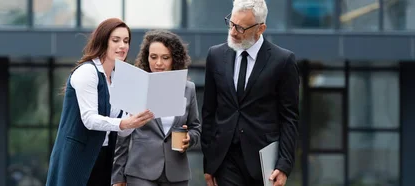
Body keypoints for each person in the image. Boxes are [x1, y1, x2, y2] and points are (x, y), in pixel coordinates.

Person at [45, 18, 155, 186]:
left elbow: (121, 129)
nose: (123, 45)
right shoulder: (87, 72)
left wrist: (135, 121)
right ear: (103, 41)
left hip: (103, 156)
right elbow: (90, 119)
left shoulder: (120, 78)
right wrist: (124, 123)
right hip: (76, 157)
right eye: (116, 40)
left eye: (126, 41)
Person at [200, 0, 300, 186]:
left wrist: (284, 164)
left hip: (264, 163)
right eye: (231, 23)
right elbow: (209, 112)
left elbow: (289, 118)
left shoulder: (283, 61)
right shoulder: (215, 56)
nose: (232, 32)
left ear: (260, 28)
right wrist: (209, 164)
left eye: (240, 28)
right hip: (225, 160)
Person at [111, 30, 201, 186]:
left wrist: (190, 138)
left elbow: (195, 127)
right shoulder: (136, 86)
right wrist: (118, 176)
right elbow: (123, 137)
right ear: (147, 58)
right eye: (153, 57)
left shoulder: (188, 89)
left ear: (174, 59)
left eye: (165, 58)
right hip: (140, 172)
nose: (158, 63)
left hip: (176, 174)